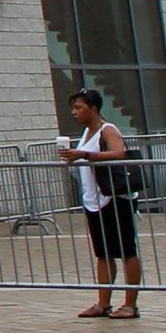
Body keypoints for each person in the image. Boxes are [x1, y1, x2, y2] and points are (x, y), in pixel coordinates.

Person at [60, 86, 142, 319]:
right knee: (103, 253)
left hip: (115, 198)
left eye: (79, 108)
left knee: (127, 250)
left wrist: (85, 155)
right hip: (93, 200)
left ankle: (130, 304)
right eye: (73, 108)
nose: (74, 113)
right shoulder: (86, 134)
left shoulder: (108, 130)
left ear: (93, 109)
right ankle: (103, 302)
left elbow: (118, 153)